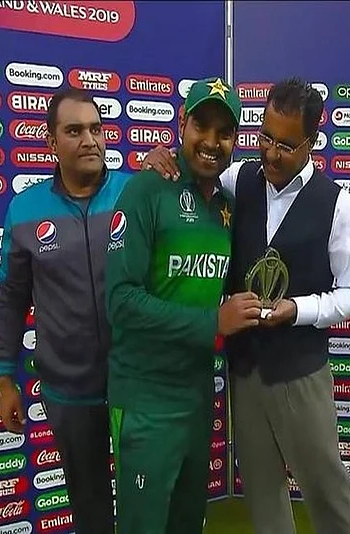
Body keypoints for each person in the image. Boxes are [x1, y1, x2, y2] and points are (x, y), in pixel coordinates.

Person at [142, 77, 350, 534]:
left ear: (312, 141)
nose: (271, 153)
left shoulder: (338, 204)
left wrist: (298, 309)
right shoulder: (237, 180)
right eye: (265, 137)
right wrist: (157, 160)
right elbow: (192, 175)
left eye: (285, 145)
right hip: (244, 372)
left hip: (300, 376)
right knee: (263, 494)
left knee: (328, 492)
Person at [105, 77, 261, 534]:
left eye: (224, 132)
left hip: (197, 399)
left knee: (188, 523)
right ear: (182, 124)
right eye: (201, 126)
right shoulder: (146, 190)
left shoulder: (227, 208)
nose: (211, 142)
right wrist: (213, 322)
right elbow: (121, 300)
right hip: (146, 400)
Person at [0, 87, 130, 534]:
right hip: (70, 393)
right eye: (74, 131)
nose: (89, 140)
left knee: (146, 507)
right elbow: (11, 298)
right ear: (51, 142)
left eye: (96, 129)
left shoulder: (136, 192)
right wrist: (5, 376)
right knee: (90, 510)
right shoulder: (25, 209)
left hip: (138, 385)